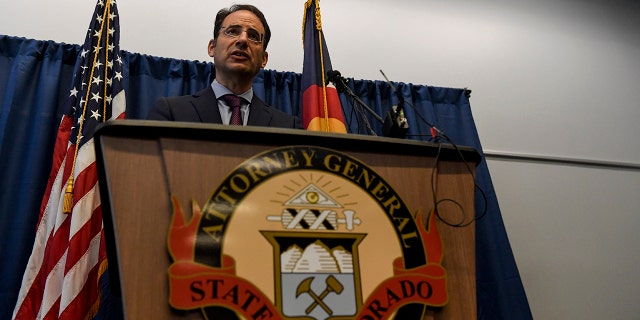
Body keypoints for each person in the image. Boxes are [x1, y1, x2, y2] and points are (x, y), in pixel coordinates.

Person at [147, 4, 302, 129]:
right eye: (232, 31)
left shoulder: (289, 127)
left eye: (253, 36)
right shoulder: (171, 113)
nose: (243, 40)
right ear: (212, 47)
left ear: (264, 59)